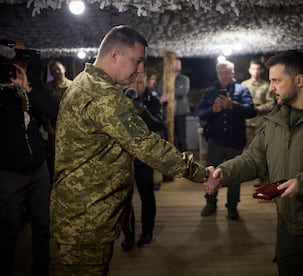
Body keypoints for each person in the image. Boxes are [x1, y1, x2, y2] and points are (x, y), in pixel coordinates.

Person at [50, 25, 213, 275]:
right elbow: (148, 146)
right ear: (115, 55)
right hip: (88, 219)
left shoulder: (84, 81)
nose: (140, 71)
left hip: (80, 212)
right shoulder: (105, 95)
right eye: (137, 61)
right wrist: (201, 173)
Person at [203, 50, 303, 276]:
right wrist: (223, 172)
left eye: (276, 81)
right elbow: (255, 158)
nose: (271, 88)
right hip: (286, 225)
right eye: (270, 81)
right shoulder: (277, 118)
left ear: (299, 80)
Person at [0, 46, 51, 276]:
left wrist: (27, 88)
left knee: (42, 226)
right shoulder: (3, 92)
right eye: (14, 61)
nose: (19, 65)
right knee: (8, 231)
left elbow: (54, 110)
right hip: (10, 172)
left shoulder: (31, 84)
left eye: (22, 59)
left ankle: (41, 270)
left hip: (38, 169)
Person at [198, 60, 256, 220]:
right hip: (215, 140)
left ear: (233, 73)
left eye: (227, 72)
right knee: (210, 174)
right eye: (221, 73)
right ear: (217, 74)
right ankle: (210, 203)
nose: (224, 75)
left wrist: (232, 105)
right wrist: (213, 110)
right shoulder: (210, 92)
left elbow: (251, 111)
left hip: (235, 141)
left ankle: (232, 206)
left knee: (234, 175)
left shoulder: (242, 90)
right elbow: (201, 113)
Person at [121, 72, 166, 251]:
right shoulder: (121, 97)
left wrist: (143, 113)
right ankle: (128, 235)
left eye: (139, 81)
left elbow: (159, 124)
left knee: (147, 195)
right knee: (125, 199)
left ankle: (147, 232)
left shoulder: (153, 100)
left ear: (146, 82)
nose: (136, 84)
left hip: (144, 157)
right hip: (124, 156)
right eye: (132, 80)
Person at [44, 60, 72, 180]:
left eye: (58, 69)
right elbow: (44, 109)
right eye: (53, 70)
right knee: (54, 159)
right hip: (54, 128)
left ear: (64, 69)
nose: (56, 72)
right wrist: (48, 127)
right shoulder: (48, 88)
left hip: (71, 128)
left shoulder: (73, 86)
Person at [158, 58, 190, 152]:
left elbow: (182, 92)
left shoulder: (184, 79)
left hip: (180, 112)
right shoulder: (165, 78)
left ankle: (185, 160)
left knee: (181, 137)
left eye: (178, 64)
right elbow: (160, 90)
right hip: (167, 112)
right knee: (170, 137)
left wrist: (168, 92)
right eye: (174, 63)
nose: (176, 65)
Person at [241, 59, 274, 146]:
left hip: (261, 122)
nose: (255, 71)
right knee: (248, 147)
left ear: (261, 70)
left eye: (258, 69)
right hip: (247, 122)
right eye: (253, 69)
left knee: (261, 146)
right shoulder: (244, 85)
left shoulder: (266, 85)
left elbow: (271, 103)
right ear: (249, 70)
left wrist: (259, 108)